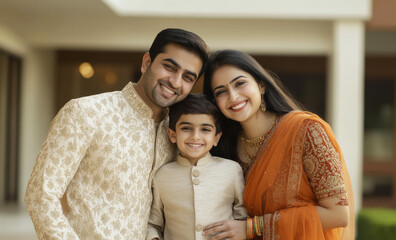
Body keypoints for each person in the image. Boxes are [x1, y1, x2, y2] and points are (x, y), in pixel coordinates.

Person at [24, 28, 209, 240]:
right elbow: (41, 195)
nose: (175, 82)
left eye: (187, 77)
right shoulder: (87, 112)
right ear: (147, 62)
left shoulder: (177, 133)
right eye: (169, 67)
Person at [201, 50, 355, 240]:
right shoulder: (223, 147)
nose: (233, 96)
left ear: (261, 86)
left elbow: (338, 214)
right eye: (221, 92)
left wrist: (252, 228)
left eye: (239, 83)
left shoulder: (307, 131)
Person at [146, 93, 248, 240]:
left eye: (205, 129)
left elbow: (242, 216)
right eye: (186, 128)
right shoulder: (161, 175)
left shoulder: (232, 170)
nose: (195, 136)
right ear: (172, 135)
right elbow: (154, 224)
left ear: (216, 138)